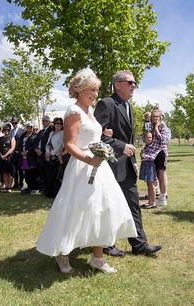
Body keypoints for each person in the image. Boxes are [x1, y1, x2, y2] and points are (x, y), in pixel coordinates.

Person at [36, 68, 137, 274]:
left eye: (97, 90)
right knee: (75, 208)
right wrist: (89, 159)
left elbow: (92, 137)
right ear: (80, 90)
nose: (95, 94)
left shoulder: (90, 112)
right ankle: (62, 253)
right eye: (92, 90)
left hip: (99, 167)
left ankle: (98, 258)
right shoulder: (73, 112)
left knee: (101, 209)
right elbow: (70, 144)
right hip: (82, 167)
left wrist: (103, 137)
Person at [94, 70, 162, 257]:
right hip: (110, 166)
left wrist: (132, 160)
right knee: (109, 206)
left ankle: (139, 245)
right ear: (117, 84)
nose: (134, 86)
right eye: (130, 82)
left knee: (133, 204)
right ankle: (107, 244)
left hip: (127, 165)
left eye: (135, 83)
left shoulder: (129, 107)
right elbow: (96, 136)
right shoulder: (106, 104)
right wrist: (121, 146)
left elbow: (128, 138)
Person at [144, 108, 169, 207]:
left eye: (156, 117)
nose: (154, 118)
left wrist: (157, 129)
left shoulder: (163, 126)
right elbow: (148, 139)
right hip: (152, 153)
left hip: (161, 152)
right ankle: (153, 198)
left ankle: (163, 196)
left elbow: (164, 141)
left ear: (160, 117)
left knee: (161, 174)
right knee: (153, 175)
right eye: (153, 117)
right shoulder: (149, 126)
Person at [43, 117, 65, 197]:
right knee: (49, 175)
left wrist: (51, 153)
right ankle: (50, 192)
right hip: (49, 156)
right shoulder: (51, 133)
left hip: (57, 157)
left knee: (56, 176)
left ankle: (56, 193)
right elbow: (47, 144)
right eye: (57, 123)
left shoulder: (62, 133)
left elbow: (60, 146)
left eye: (60, 123)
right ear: (54, 124)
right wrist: (47, 153)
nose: (58, 125)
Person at [18, 122, 40, 194]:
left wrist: (27, 152)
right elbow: (19, 145)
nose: (29, 128)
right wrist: (21, 151)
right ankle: (29, 187)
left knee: (33, 173)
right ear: (25, 127)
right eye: (28, 126)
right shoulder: (22, 136)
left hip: (31, 157)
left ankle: (35, 188)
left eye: (30, 126)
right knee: (27, 173)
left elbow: (34, 146)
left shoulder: (35, 136)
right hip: (23, 158)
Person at [34, 115, 53, 194]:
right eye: (43, 120)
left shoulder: (51, 130)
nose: (44, 122)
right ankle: (44, 188)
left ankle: (49, 190)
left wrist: (43, 151)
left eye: (46, 120)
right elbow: (35, 142)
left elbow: (50, 143)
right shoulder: (41, 131)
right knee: (42, 173)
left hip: (46, 154)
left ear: (49, 121)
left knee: (48, 173)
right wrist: (36, 149)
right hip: (39, 155)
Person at [139, 131, 157, 209]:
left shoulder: (153, 146)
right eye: (147, 137)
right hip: (146, 165)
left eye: (150, 137)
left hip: (151, 166)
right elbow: (143, 157)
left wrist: (143, 154)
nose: (149, 139)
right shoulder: (146, 146)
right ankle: (150, 201)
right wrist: (142, 154)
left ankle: (153, 202)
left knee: (151, 184)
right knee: (148, 184)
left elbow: (152, 157)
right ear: (144, 138)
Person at [0, 123, 16, 192]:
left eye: (8, 130)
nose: (6, 131)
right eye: (5, 130)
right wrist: (1, 155)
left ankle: (9, 187)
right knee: (4, 172)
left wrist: (5, 155)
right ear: (3, 131)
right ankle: (6, 187)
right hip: (2, 157)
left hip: (10, 157)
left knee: (9, 172)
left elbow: (12, 148)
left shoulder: (12, 138)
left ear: (10, 130)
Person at [10, 117, 25, 189]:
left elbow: (23, 142)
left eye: (15, 123)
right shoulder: (10, 131)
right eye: (13, 123)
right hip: (12, 153)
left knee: (21, 169)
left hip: (19, 153)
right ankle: (15, 184)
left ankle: (21, 184)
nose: (14, 124)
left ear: (17, 123)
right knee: (14, 169)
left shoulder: (22, 131)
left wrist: (20, 151)